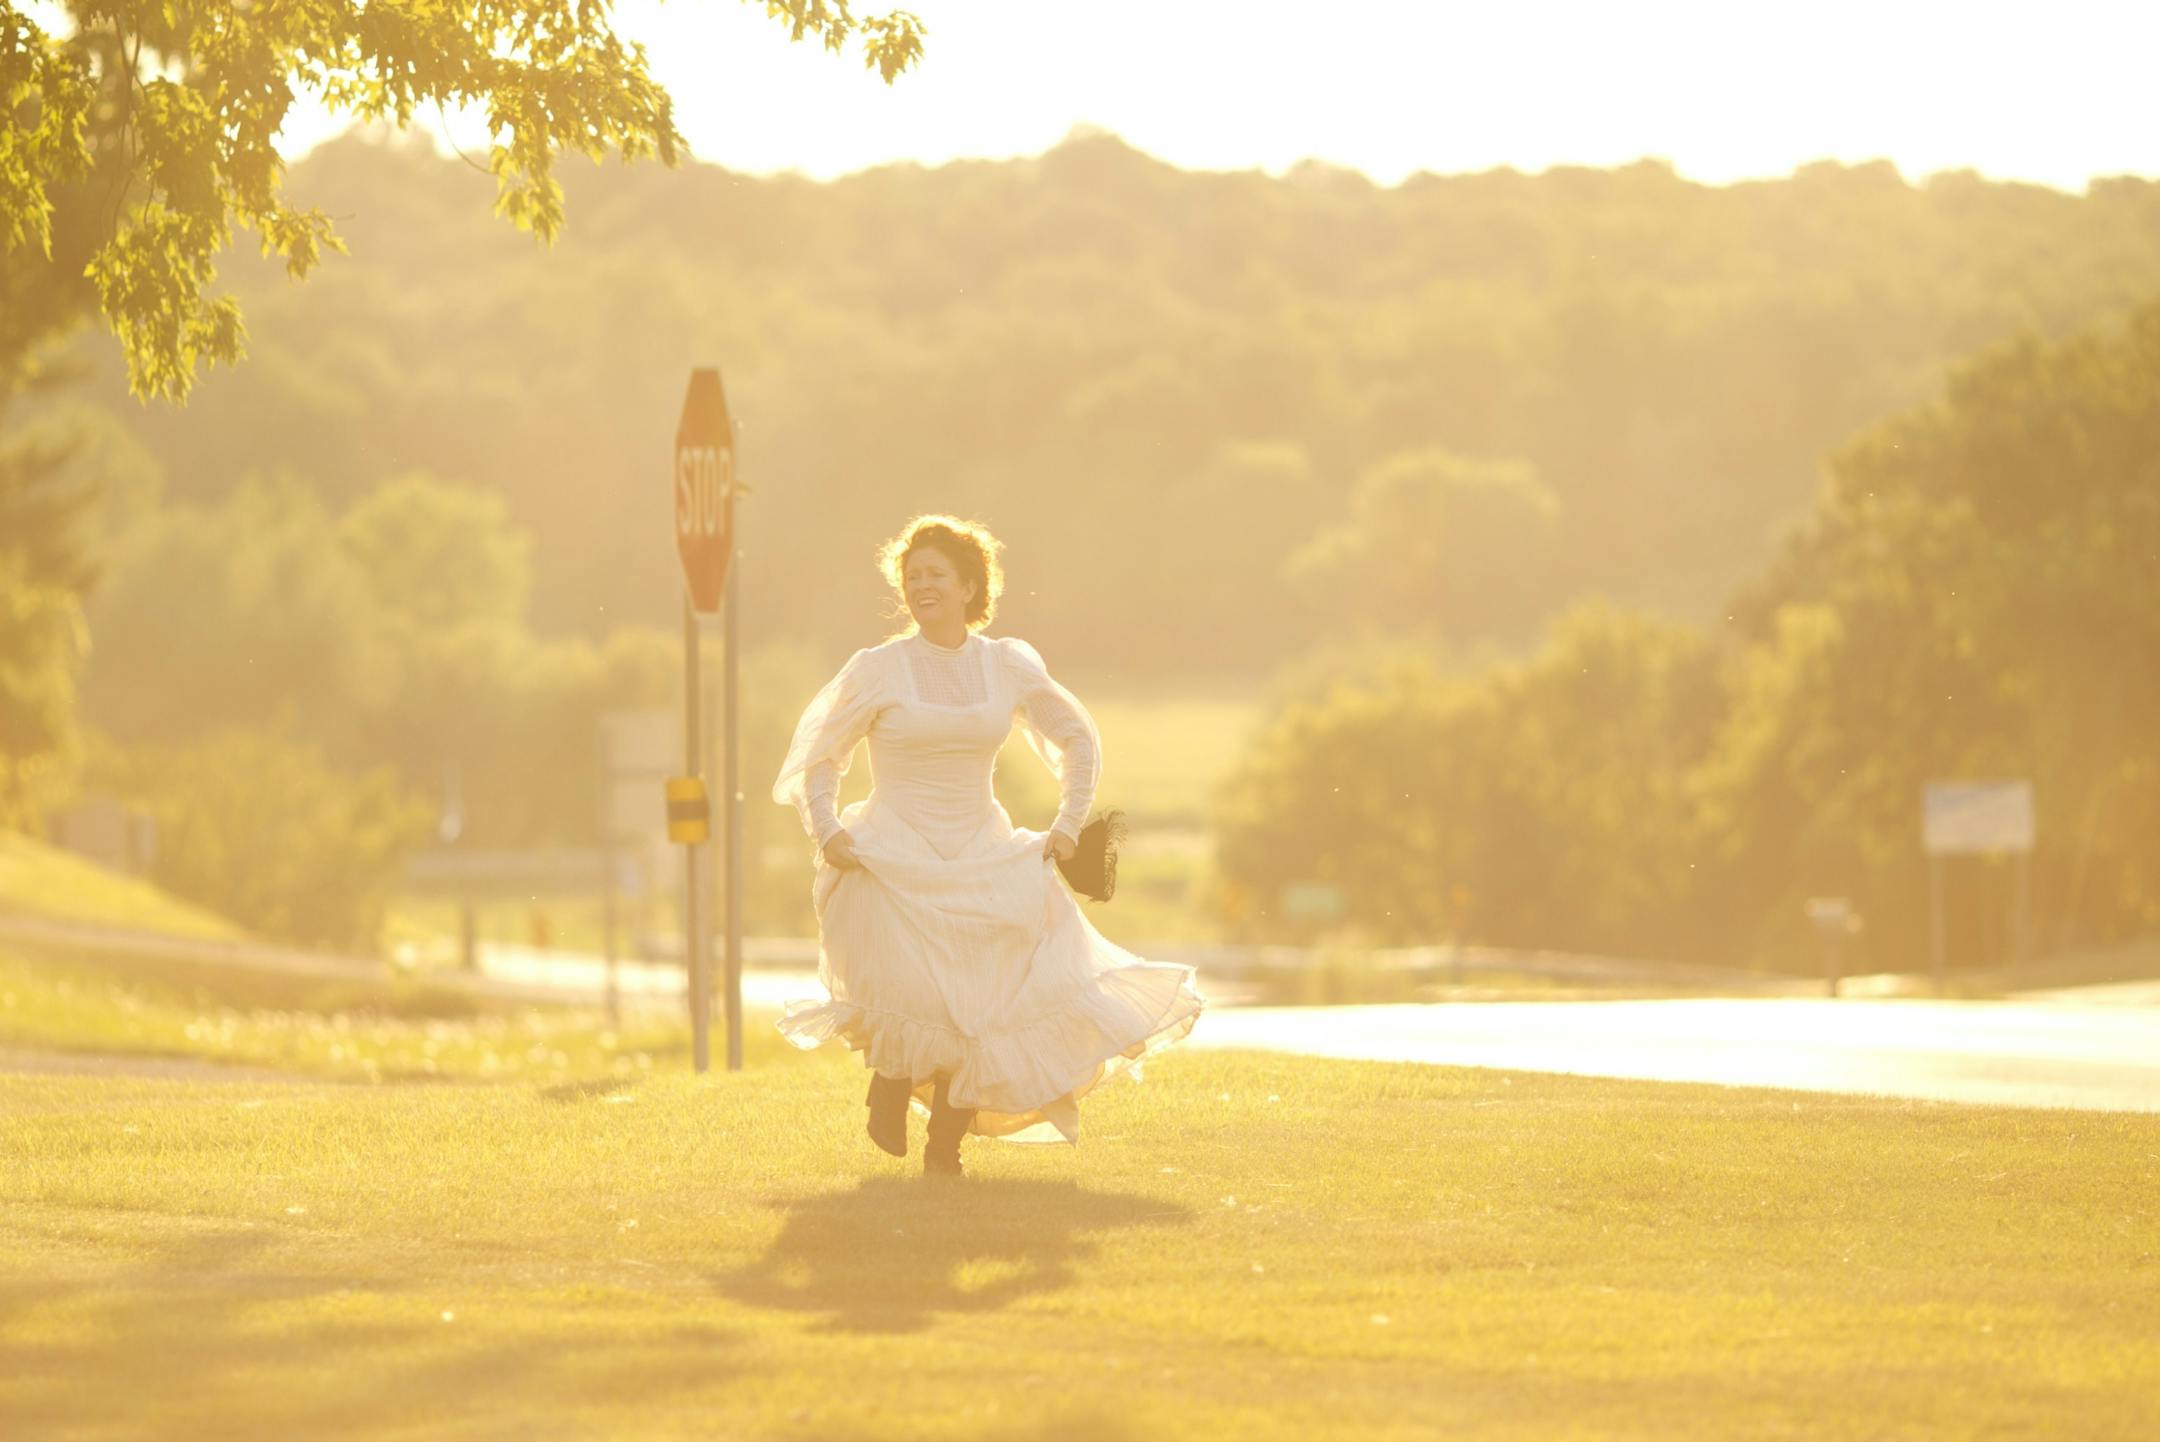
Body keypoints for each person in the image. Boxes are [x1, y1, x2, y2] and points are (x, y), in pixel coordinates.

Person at [773, 515, 1205, 1177]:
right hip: (893, 851)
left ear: (970, 586)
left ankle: (945, 1144)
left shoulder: (1005, 664)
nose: (921, 585)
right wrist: (827, 829)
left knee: (986, 1005)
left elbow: (1077, 738)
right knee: (918, 993)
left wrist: (1067, 824)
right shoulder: (879, 669)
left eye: (936, 575)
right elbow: (820, 758)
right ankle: (890, 1080)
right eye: (912, 576)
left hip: (983, 848)